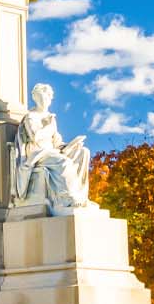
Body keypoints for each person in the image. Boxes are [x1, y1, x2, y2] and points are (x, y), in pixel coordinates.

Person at [8, 83, 94, 215]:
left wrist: (71, 145)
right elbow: (35, 136)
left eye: (48, 97)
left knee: (84, 152)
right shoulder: (31, 117)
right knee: (63, 162)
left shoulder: (50, 118)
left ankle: (81, 195)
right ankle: (67, 197)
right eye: (43, 97)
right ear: (36, 98)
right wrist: (49, 126)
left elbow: (57, 142)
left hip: (52, 151)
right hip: (38, 153)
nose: (46, 100)